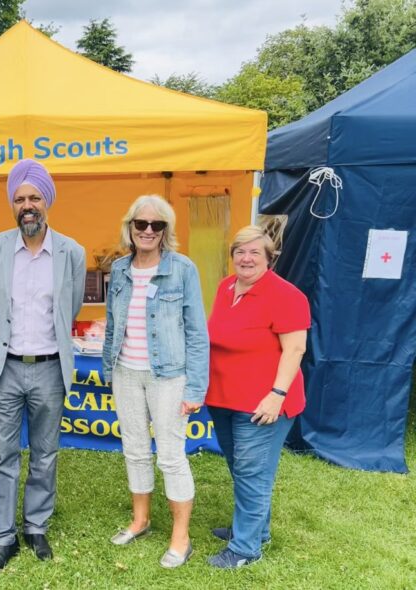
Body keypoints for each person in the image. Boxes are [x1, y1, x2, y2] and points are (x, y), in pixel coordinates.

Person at [0, 158, 85, 572]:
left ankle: (36, 526)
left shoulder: (71, 251)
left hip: (50, 368)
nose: (27, 205)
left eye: (34, 197)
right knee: (2, 455)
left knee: (44, 453)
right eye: (20, 198)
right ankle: (3, 537)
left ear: (47, 201)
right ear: (12, 204)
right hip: (4, 368)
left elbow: (69, 309)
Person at [102, 195, 209, 568]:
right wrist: (107, 368)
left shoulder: (183, 269)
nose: (148, 231)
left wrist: (196, 388)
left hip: (169, 377)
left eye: (156, 225)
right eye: (141, 224)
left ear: (166, 231)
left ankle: (181, 537)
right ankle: (141, 519)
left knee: (170, 455)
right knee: (133, 447)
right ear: (129, 227)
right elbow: (113, 326)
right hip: (125, 372)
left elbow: (197, 332)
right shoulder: (118, 270)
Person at [205, 225, 310, 569]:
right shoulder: (225, 288)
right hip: (224, 397)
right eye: (240, 251)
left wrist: (276, 395)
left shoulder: (287, 295)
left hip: (263, 403)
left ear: (269, 258)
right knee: (244, 468)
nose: (246, 258)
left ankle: (245, 548)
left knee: (252, 472)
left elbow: (295, 349)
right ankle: (255, 529)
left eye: (254, 252)